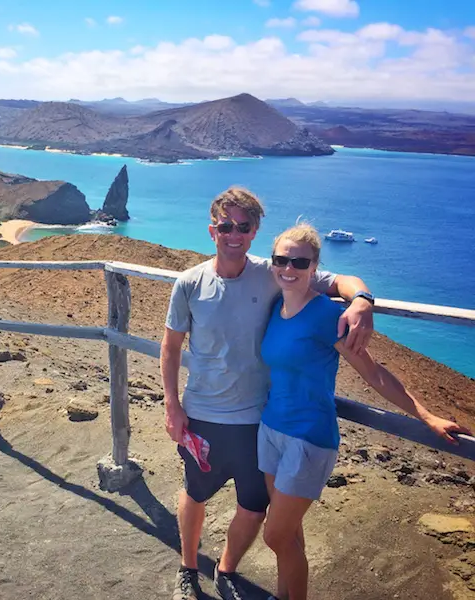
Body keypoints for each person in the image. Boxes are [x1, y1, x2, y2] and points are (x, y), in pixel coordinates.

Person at [161, 187, 376, 600]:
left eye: (243, 226)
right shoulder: (188, 283)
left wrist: (363, 298)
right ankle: (188, 569)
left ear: (255, 231)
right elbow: (170, 348)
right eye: (226, 226)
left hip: (258, 420)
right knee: (195, 492)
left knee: (254, 508)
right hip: (202, 413)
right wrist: (172, 406)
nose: (234, 234)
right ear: (212, 230)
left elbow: (336, 280)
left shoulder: (275, 270)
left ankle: (225, 569)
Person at [258, 224, 471, 600]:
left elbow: (374, 374)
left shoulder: (326, 316)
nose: (288, 268)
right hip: (271, 431)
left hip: (308, 439)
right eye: (281, 260)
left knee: (274, 534)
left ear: (314, 266)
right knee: (288, 535)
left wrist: (427, 416)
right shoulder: (276, 304)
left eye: (299, 261)